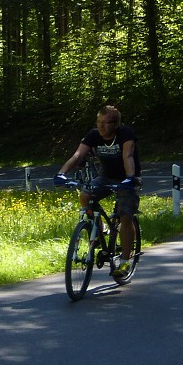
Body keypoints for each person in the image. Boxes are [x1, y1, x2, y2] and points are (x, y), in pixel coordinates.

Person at [54, 105, 141, 281]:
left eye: (106, 123)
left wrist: (130, 178)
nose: (101, 126)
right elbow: (78, 155)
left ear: (116, 124)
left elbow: (128, 156)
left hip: (127, 178)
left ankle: (124, 260)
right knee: (85, 195)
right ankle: (100, 228)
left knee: (125, 216)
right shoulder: (94, 135)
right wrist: (61, 174)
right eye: (99, 122)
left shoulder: (125, 134)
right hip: (106, 177)